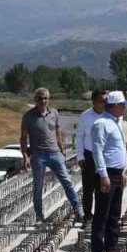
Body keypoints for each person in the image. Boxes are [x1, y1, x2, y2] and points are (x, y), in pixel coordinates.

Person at [20, 87, 81, 223]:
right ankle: (39, 215)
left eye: (45, 98)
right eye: (40, 98)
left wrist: (62, 151)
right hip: (38, 156)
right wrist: (25, 156)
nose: (43, 101)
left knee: (67, 181)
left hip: (55, 154)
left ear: (49, 99)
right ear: (35, 99)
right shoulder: (28, 116)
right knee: (38, 186)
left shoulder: (54, 113)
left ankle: (78, 210)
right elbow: (23, 138)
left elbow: (58, 133)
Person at [89, 91, 127, 252]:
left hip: (117, 173)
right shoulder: (101, 124)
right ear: (113, 106)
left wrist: (123, 171)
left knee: (114, 213)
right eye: (122, 105)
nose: (124, 107)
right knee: (102, 215)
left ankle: (111, 245)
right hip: (107, 175)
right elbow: (97, 150)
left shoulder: (115, 122)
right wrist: (103, 175)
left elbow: (117, 149)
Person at [76, 89, 107, 224]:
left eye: (106, 101)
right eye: (101, 101)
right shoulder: (85, 116)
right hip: (89, 156)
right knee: (88, 188)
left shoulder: (109, 115)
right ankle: (88, 216)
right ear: (94, 101)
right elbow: (79, 137)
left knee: (103, 188)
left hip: (105, 156)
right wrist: (80, 156)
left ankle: (101, 216)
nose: (104, 103)